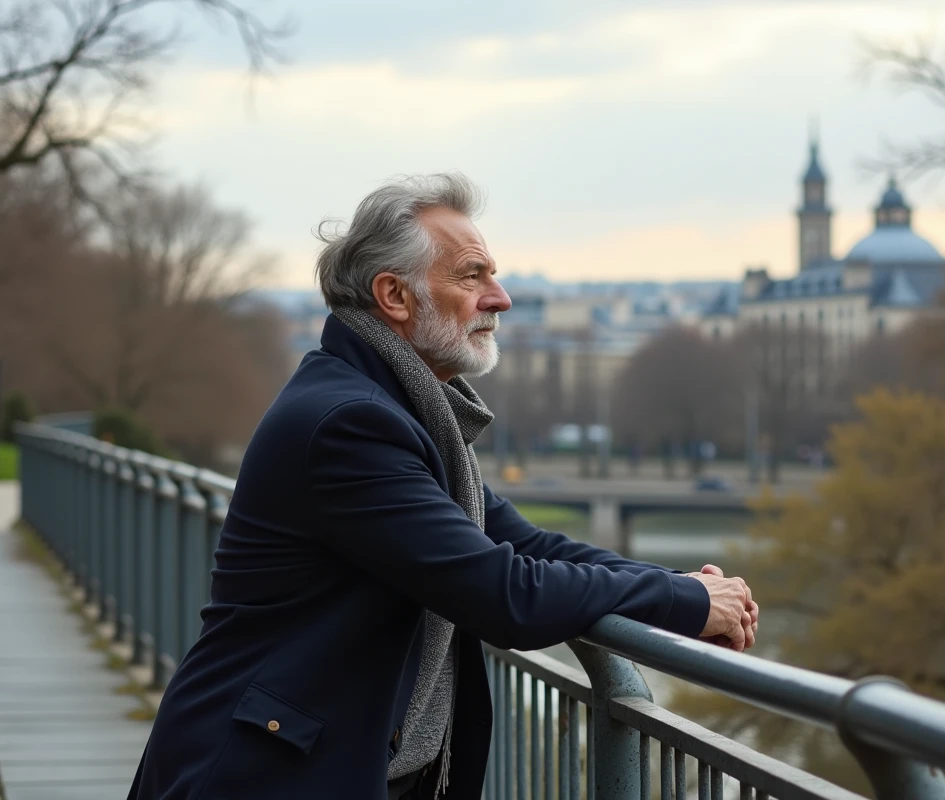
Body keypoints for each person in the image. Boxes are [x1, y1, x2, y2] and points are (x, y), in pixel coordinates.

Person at [127, 173, 759, 800]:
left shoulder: (398, 412)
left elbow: (529, 547)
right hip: (260, 776)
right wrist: (685, 604)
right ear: (395, 296)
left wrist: (686, 591)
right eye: (472, 275)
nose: (501, 297)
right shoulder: (352, 425)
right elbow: (501, 592)